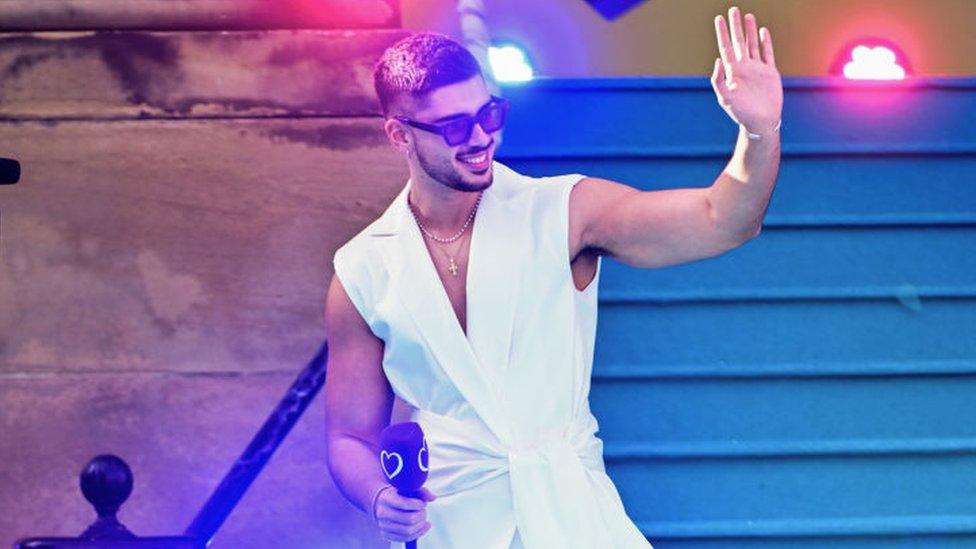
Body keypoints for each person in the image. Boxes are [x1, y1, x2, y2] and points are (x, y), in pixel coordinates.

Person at [324, 5, 782, 547]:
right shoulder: (362, 269)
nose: (479, 137)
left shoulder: (564, 210)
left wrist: (758, 132)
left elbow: (722, 221)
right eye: (452, 126)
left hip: (575, 515)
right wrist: (378, 498)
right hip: (450, 523)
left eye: (489, 114)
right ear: (400, 136)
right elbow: (350, 436)